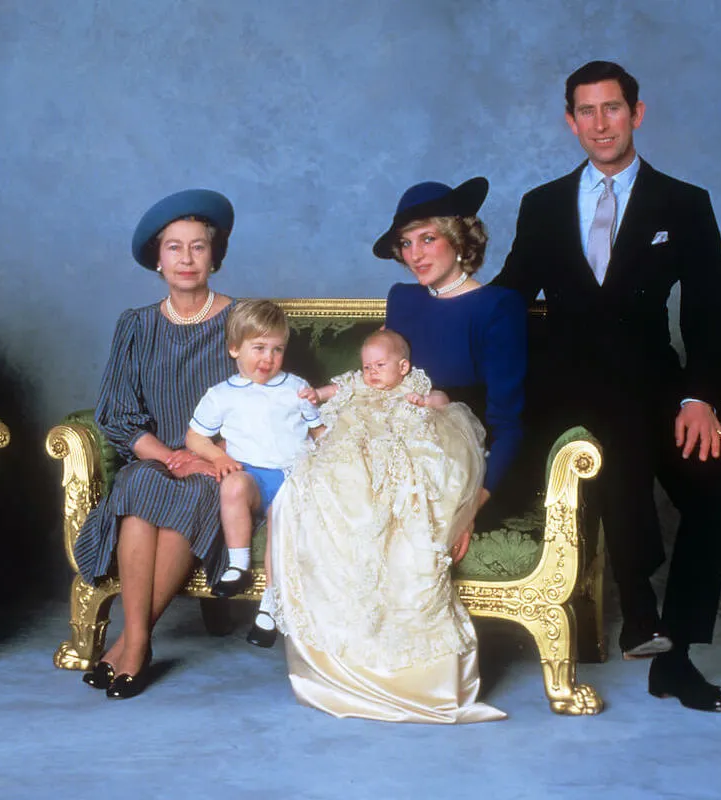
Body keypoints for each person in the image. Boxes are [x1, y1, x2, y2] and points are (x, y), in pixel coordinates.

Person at [495, 61, 721, 712]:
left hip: (656, 384)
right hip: (570, 389)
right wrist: (436, 308)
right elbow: (508, 298)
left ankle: (672, 651)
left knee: (720, 495)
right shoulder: (542, 205)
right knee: (611, 434)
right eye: (587, 111)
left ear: (637, 113)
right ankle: (640, 611)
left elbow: (707, 315)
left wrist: (699, 400)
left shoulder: (683, 203)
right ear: (570, 121)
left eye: (613, 109)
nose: (600, 123)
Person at [271, 329, 505, 723]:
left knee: (406, 489)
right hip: (355, 446)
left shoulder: (415, 386)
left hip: (398, 445)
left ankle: (415, 675)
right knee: (327, 480)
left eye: (380, 366)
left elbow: (443, 405)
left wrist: (428, 402)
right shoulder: (356, 385)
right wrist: (317, 396)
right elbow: (332, 389)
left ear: (403, 367)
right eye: (366, 366)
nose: (371, 373)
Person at [74, 189, 236, 699]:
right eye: (174, 248)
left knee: (192, 494)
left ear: (214, 255)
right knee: (139, 489)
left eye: (198, 247)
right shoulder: (136, 325)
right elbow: (118, 414)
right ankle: (139, 641)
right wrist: (169, 455)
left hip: (220, 464)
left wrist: (206, 457)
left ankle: (131, 643)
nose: (186, 259)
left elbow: (267, 403)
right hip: (157, 455)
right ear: (157, 258)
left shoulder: (247, 318)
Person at [376, 178, 528, 536]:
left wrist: (470, 505)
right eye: (406, 243)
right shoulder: (402, 299)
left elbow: (508, 427)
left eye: (428, 238)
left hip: (461, 470)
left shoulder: (497, 307)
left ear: (458, 240)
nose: (415, 254)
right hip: (394, 458)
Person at [184, 299, 325, 648]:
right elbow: (194, 437)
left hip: (292, 476)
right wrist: (218, 457)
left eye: (277, 350)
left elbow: (319, 432)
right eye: (258, 348)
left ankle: (269, 607)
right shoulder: (222, 395)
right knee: (232, 485)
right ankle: (238, 565)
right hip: (252, 477)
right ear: (235, 348)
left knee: (282, 515)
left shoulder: (296, 387)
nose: (268, 359)